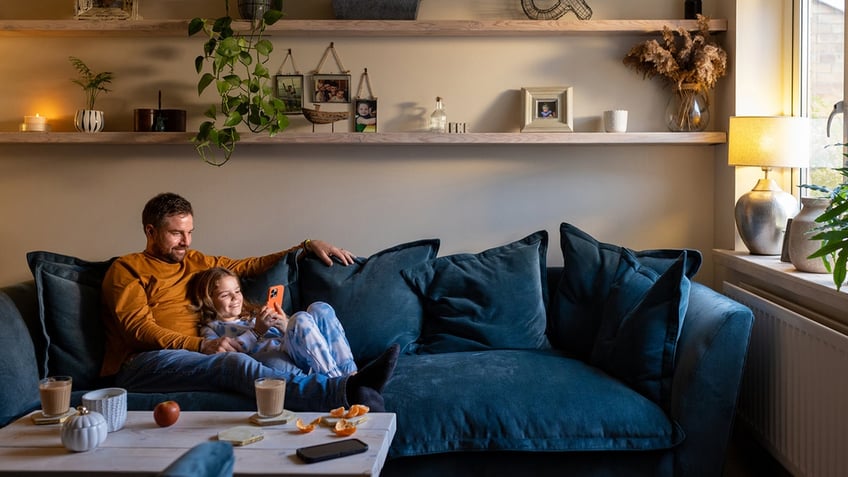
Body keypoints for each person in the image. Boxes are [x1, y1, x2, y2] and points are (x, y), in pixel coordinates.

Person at [100, 192, 398, 411]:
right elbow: (137, 329)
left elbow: (248, 266)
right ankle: (342, 392)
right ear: (150, 231)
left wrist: (305, 246)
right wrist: (201, 345)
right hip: (146, 362)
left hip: (200, 353)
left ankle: (352, 379)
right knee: (233, 363)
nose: (186, 242)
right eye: (176, 233)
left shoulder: (196, 260)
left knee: (303, 322)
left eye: (190, 232)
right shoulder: (127, 269)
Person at [190, 267, 357, 378]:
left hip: (296, 348)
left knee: (319, 308)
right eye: (225, 295)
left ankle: (352, 374)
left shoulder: (254, 314)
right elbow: (226, 355)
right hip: (278, 357)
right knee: (300, 318)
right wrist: (257, 331)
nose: (235, 298)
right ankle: (336, 382)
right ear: (209, 300)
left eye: (237, 291)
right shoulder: (212, 328)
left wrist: (284, 324)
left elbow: (305, 333)